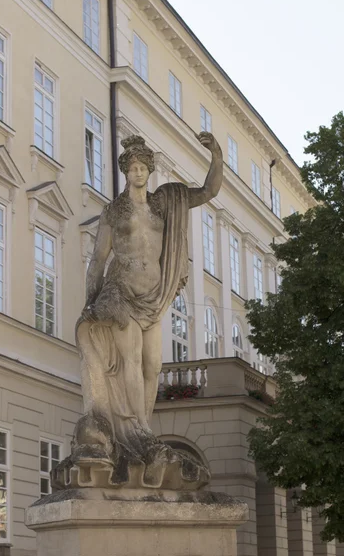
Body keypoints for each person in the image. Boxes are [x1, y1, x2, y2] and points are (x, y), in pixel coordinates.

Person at [74, 131, 223, 478]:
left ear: (150, 171)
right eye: (133, 168)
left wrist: (216, 155)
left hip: (154, 299)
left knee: (153, 365)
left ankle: (142, 431)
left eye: (143, 168)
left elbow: (209, 191)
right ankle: (137, 432)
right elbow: (98, 259)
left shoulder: (163, 203)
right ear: (126, 171)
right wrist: (90, 299)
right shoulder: (114, 211)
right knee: (130, 357)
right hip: (121, 292)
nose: (138, 173)